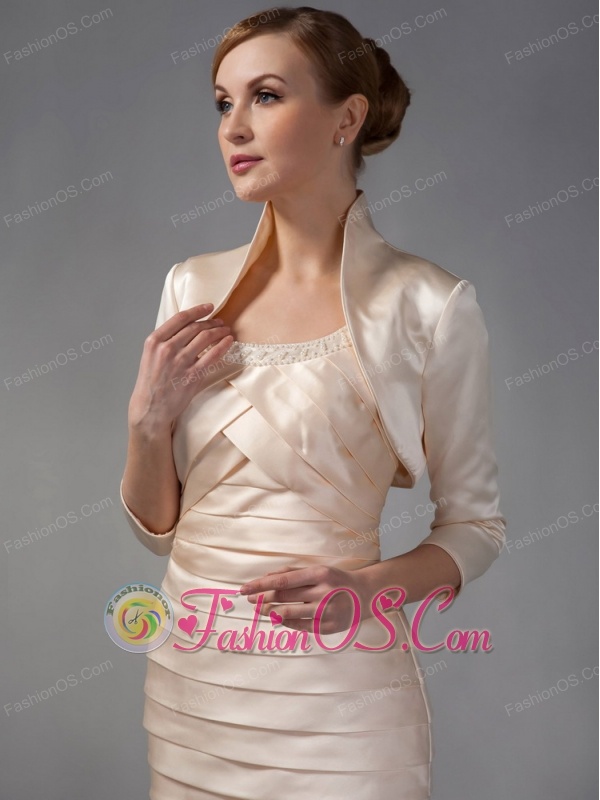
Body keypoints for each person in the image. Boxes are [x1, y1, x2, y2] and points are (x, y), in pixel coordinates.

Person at [120, 6, 506, 799]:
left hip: (340, 709)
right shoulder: (191, 287)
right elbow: (157, 532)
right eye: (223, 103)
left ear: (346, 119)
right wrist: (147, 424)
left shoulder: (428, 305)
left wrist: (366, 592)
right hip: (194, 693)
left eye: (265, 96)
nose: (233, 127)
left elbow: (476, 530)